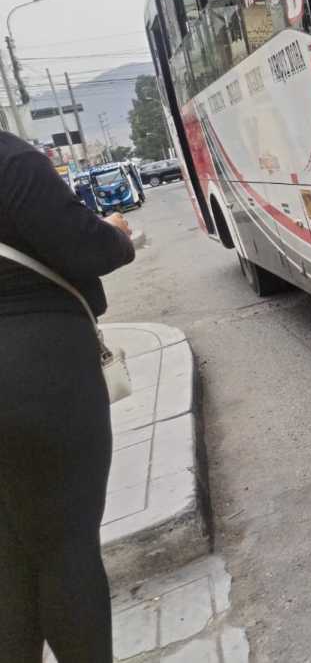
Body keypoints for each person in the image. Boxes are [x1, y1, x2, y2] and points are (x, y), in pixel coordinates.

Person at [0, 129, 136, 662]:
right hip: (39, 375)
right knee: (65, 548)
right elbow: (82, 246)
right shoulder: (12, 160)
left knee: (7, 562)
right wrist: (116, 232)